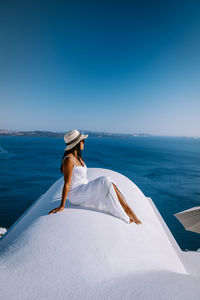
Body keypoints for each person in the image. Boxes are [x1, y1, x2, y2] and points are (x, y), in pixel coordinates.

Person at [48, 129, 142, 224]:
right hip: (76, 194)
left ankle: (128, 210)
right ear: (76, 143)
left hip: (84, 188)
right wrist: (62, 205)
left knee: (109, 182)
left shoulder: (78, 157)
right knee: (104, 180)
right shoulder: (68, 160)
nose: (84, 142)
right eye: (82, 141)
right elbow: (67, 183)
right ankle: (127, 212)